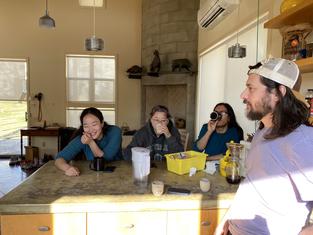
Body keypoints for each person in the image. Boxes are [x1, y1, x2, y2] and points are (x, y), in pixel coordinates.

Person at [215, 58, 313, 235]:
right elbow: (251, 184)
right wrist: (228, 218)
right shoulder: (263, 132)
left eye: (251, 88)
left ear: (278, 93)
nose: (243, 95)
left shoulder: (303, 141)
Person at [55, 107, 122, 176]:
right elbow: (59, 158)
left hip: (118, 172)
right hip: (94, 175)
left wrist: (90, 142)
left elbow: (105, 159)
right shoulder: (82, 138)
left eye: (94, 124)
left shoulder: (115, 131)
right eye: (86, 126)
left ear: (102, 123)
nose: (90, 130)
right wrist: (68, 168)